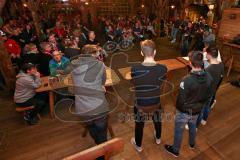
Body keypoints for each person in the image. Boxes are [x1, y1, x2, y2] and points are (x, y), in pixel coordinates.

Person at [165, 51, 213, 157]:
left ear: (190, 63)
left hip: (184, 111)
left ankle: (175, 150)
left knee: (179, 130)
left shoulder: (186, 80)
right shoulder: (209, 77)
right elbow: (209, 96)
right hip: (197, 110)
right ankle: (192, 144)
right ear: (202, 62)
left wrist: (178, 110)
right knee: (192, 126)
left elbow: (181, 100)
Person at [67, 45, 109, 151]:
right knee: (102, 131)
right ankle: (102, 151)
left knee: (91, 127)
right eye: (96, 53)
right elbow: (103, 82)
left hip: (82, 108)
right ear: (92, 54)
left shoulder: (72, 64)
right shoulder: (100, 65)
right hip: (99, 107)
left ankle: (98, 144)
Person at [131, 40, 167, 152]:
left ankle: (138, 145)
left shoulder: (135, 69)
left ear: (142, 53)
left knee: (139, 124)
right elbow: (161, 83)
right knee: (158, 120)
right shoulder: (163, 68)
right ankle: (158, 138)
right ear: (155, 52)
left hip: (141, 104)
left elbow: (134, 83)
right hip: (156, 102)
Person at [196, 46, 224, 127]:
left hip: (204, 93)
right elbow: (221, 77)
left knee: (200, 110)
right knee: (207, 107)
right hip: (212, 91)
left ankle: (196, 126)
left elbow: (201, 83)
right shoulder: (221, 65)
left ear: (209, 55)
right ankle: (204, 120)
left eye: (206, 53)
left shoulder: (208, 70)